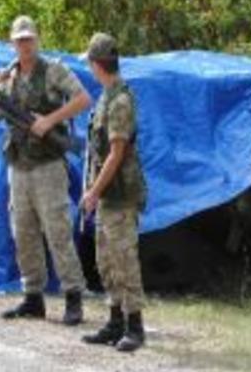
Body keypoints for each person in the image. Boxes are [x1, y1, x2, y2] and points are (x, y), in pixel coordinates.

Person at [0, 15, 91, 325]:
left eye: (29, 39)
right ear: (12, 44)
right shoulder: (6, 77)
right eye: (20, 40)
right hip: (18, 165)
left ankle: (73, 296)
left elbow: (84, 99)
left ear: (37, 39)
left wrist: (50, 120)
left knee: (57, 231)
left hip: (48, 165)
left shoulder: (54, 70)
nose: (25, 45)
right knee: (23, 232)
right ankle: (33, 297)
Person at [79, 33, 147, 352]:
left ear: (97, 64)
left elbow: (116, 154)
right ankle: (115, 321)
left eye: (90, 63)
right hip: (107, 193)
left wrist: (93, 191)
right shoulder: (106, 96)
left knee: (124, 260)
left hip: (120, 194)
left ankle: (135, 326)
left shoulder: (120, 101)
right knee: (105, 259)